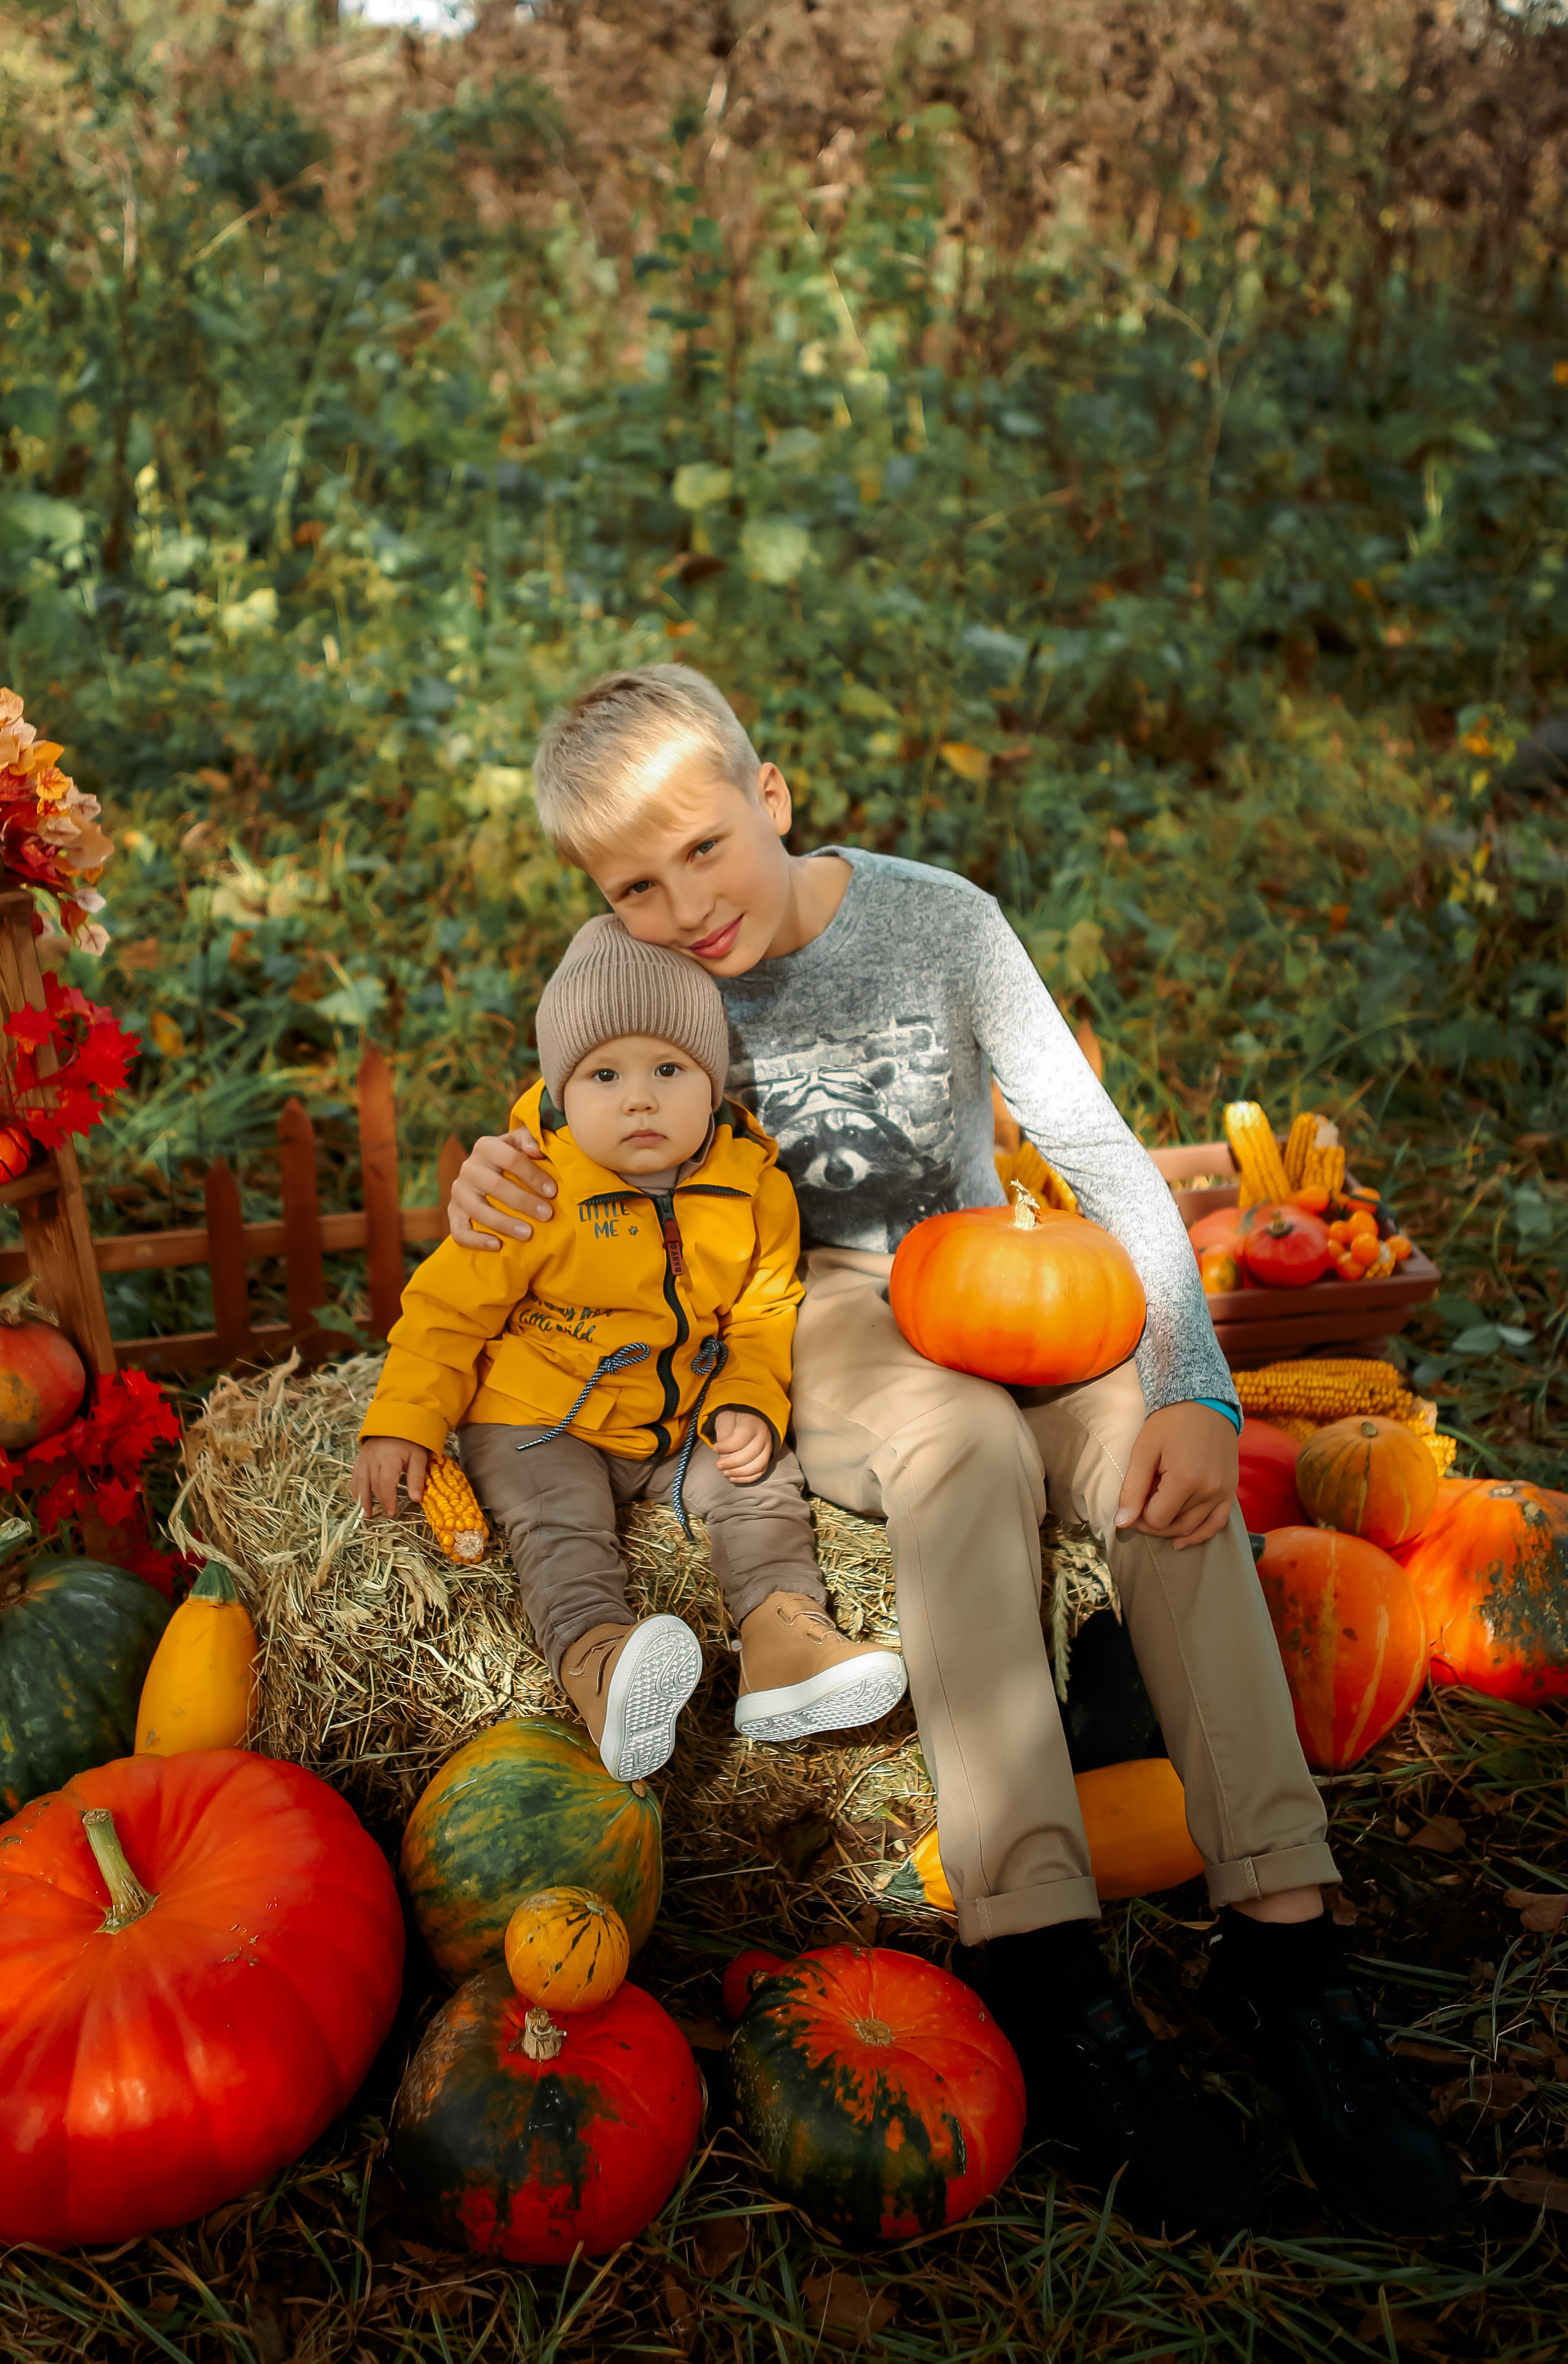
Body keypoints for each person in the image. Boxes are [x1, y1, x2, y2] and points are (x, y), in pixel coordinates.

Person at [441, 663, 1463, 2239]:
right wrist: (487, 1182)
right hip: (814, 1303)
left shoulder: (940, 926)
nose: (684, 905)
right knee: (963, 1450)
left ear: (768, 796)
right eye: (632, 885)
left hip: (998, 1268)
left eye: (704, 849)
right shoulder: (640, 975)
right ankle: (1043, 1962)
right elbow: (558, 1120)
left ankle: (1286, 1948)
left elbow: (1097, 1155)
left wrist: (1188, 1381)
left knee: (1144, 1467)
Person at [352, 913, 907, 1784]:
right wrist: (401, 1422)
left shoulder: (750, 1185)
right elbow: (444, 1315)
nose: (638, 1098)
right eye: (603, 1074)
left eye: (668, 1069)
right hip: (542, 1418)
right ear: (561, 1092)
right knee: (561, 1528)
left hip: (683, 1417)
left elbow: (765, 1309)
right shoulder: (532, 1187)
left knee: (763, 1490)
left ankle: (784, 1642)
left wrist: (748, 1401)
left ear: (713, 1083)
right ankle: (603, 1669)